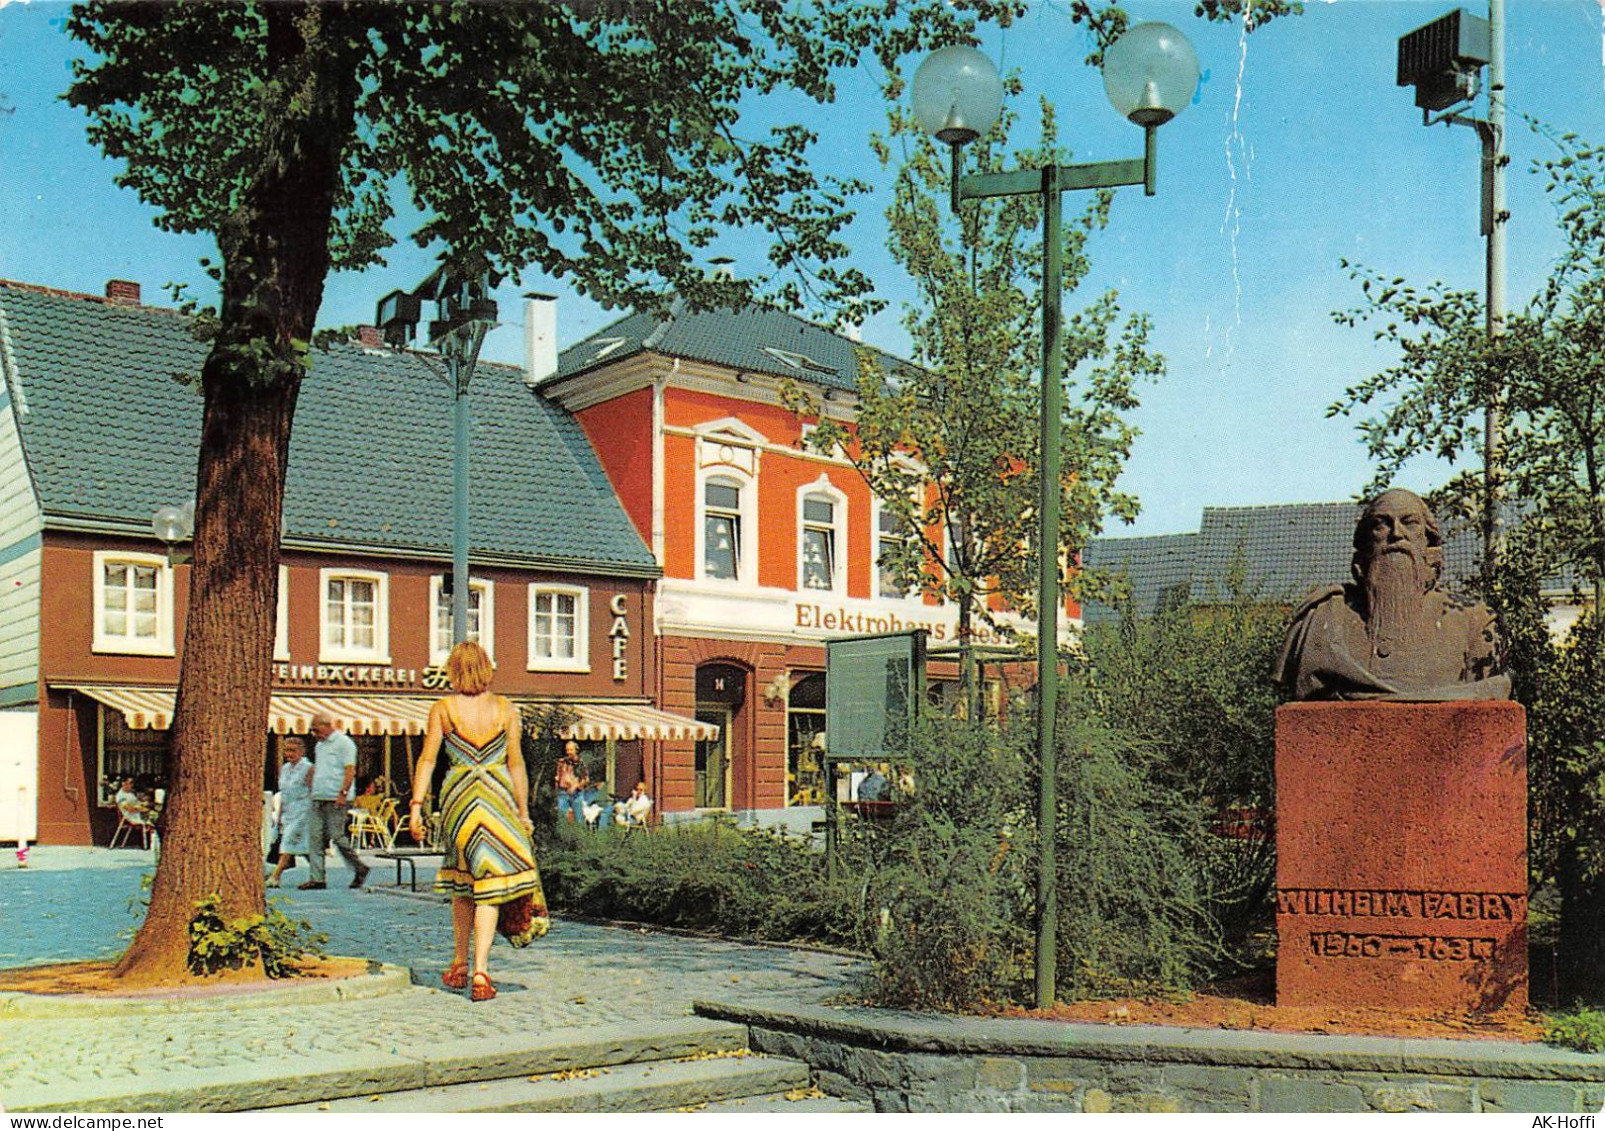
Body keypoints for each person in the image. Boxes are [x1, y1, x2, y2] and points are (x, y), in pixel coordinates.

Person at [1275, 488, 1510, 701]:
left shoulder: (1475, 622)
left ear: (1429, 545)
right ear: (1364, 549)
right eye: (1381, 525)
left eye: (1410, 523)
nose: (1397, 533)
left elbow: (1491, 703)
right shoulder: (1323, 618)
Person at [409, 641, 547, 1002]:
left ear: (452, 671)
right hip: (498, 798)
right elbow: (516, 763)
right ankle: (482, 970)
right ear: (488, 668)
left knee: (464, 883)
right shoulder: (505, 708)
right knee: (490, 886)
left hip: (459, 800)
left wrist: (416, 804)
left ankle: (458, 964)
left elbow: (427, 760)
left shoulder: (443, 708)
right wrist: (523, 811)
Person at [301, 712, 370, 891]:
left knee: (336, 835)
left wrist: (343, 793)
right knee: (314, 837)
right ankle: (317, 878)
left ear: (326, 726)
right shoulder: (320, 746)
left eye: (316, 730)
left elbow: (349, 770)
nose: (314, 734)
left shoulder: (344, 743)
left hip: (336, 796)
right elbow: (323, 767)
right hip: (318, 795)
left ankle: (359, 867)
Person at [267, 737, 314, 888]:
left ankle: (275, 876)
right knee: (303, 847)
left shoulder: (308, 768)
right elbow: (284, 794)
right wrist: (280, 815)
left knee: (288, 842)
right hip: (288, 811)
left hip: (304, 811)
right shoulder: (285, 769)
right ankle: (318, 873)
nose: (289, 753)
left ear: (302, 751)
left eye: (293, 750)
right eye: (286, 750)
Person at [554, 740, 586, 823]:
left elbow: (585, 778)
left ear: (576, 750)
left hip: (576, 793)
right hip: (563, 791)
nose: (569, 752)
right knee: (562, 816)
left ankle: (579, 833)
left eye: (571, 750)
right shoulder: (562, 762)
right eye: (567, 750)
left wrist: (575, 786)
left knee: (578, 817)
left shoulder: (580, 763)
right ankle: (563, 834)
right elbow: (557, 777)